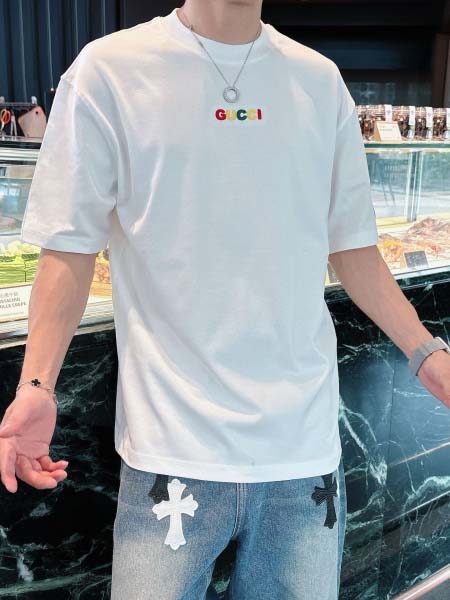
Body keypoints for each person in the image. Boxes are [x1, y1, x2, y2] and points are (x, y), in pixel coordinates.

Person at [1, 1, 449, 598]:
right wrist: (37, 385)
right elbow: (69, 249)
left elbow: (354, 249)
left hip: (302, 454)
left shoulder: (320, 82)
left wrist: (426, 352)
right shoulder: (109, 70)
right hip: (169, 454)